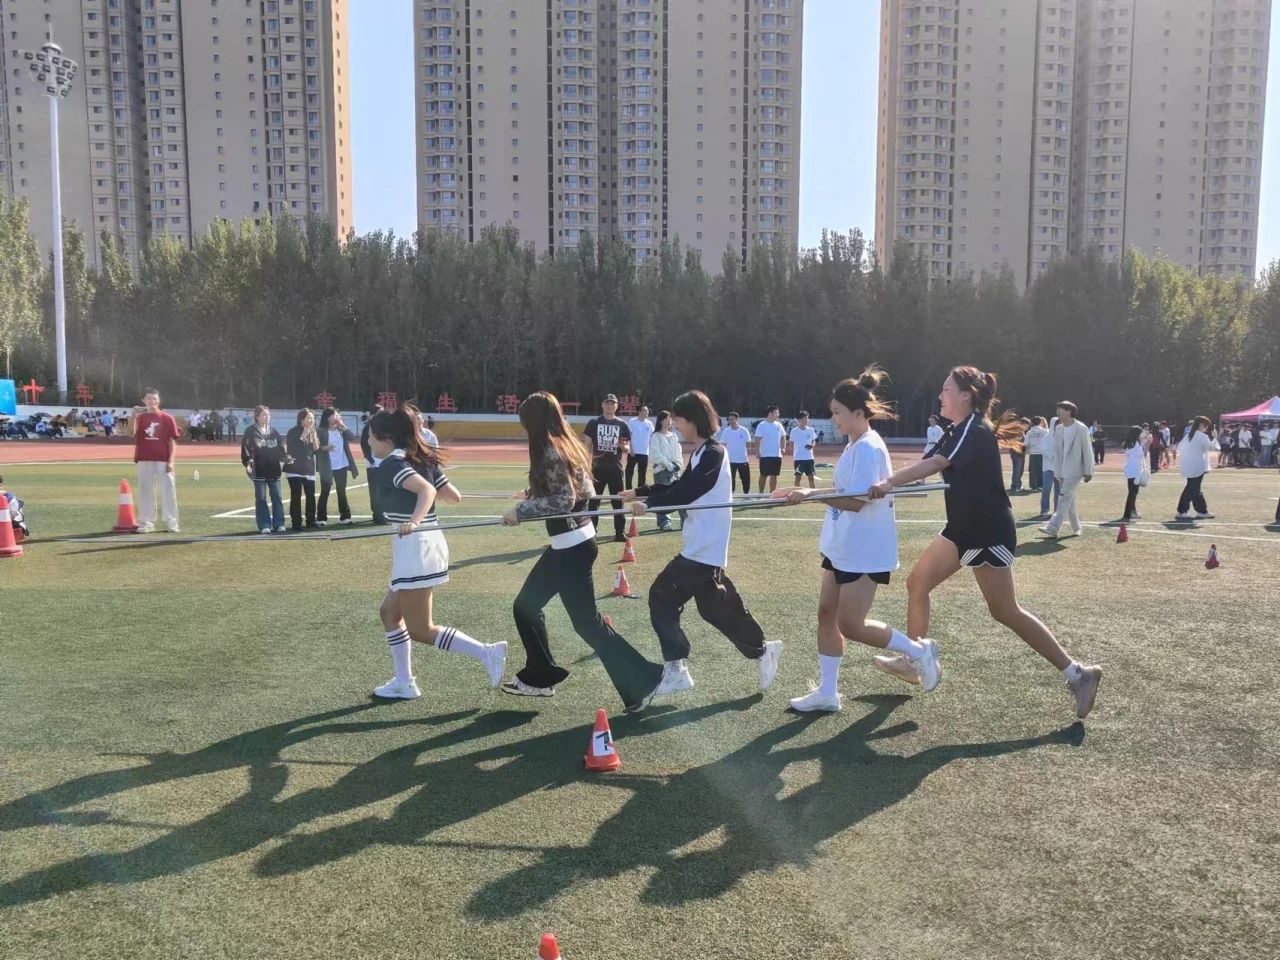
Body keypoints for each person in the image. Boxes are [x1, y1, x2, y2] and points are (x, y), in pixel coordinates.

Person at [867, 366, 1103, 719]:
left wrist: (888, 483)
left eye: (946, 389)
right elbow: (931, 463)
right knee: (917, 583)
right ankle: (914, 660)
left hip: (986, 530)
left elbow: (936, 463)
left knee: (1004, 610)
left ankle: (1078, 674)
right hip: (962, 527)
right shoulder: (957, 429)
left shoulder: (973, 428)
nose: (940, 395)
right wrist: (891, 481)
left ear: (965, 396)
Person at [498, 392, 662, 709]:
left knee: (586, 624)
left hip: (571, 548)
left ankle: (644, 680)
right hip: (571, 544)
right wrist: (533, 492)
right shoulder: (568, 444)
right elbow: (580, 489)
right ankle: (540, 676)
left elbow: (564, 500)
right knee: (527, 607)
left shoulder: (551, 449)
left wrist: (522, 510)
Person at [623, 390, 783, 700]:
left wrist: (652, 504)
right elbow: (681, 485)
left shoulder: (714, 452)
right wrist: (642, 491)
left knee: (661, 596)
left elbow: (691, 490)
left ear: (694, 419)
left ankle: (676, 669)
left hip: (703, 549)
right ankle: (763, 651)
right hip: (701, 545)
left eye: (679, 419)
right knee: (715, 609)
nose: (675, 424)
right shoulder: (699, 453)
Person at [773, 370, 908, 713]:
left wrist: (811, 495)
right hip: (842, 545)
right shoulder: (853, 444)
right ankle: (828, 693)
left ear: (858, 413)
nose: (833, 419)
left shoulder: (868, 448)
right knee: (826, 615)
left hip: (864, 549)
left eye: (837, 413)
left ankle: (918, 652)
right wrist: (799, 490)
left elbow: (857, 501)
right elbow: (844, 491)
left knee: (851, 624)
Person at [366, 407, 506, 700]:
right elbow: (453, 496)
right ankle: (404, 682)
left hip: (416, 545)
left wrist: (414, 521)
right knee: (389, 612)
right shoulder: (421, 458)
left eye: (371, 437)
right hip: (423, 542)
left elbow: (427, 492)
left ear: (386, 439)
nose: (368, 442)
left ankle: (487, 652)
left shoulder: (393, 464)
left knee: (420, 629)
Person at [1039, 401, 1093, 540]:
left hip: (1075, 471)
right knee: (1070, 500)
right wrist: (1057, 471)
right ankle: (1077, 528)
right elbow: (1058, 452)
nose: (1058, 412)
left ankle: (1052, 528)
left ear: (1069, 411)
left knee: (1063, 498)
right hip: (1061, 470)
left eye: (1061, 409)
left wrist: (1088, 470)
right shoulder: (1059, 429)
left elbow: (1087, 450)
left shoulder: (1081, 428)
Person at [131, 388, 181, 534]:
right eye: (149, 398)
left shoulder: (167, 418)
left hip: (163, 459)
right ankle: (146, 522)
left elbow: (172, 441)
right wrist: (133, 416)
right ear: (143, 400)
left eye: (154, 398)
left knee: (168, 491)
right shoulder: (140, 418)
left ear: (158, 400)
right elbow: (130, 433)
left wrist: (171, 461)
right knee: (145, 491)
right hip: (144, 458)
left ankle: (171, 521)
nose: (152, 401)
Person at [583, 394, 631, 543]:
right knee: (593, 501)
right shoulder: (593, 423)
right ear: (602, 405)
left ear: (616, 406)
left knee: (618, 501)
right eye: (607, 403)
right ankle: (591, 533)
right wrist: (586, 466)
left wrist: (621, 445)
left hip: (615, 469)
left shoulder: (622, 425)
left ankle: (619, 532)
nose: (610, 406)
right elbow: (586, 446)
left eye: (613, 403)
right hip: (596, 469)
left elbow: (627, 449)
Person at [240, 405, 289, 534]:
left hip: (274, 469)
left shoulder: (274, 432)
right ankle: (265, 525)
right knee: (261, 498)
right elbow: (246, 450)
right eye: (264, 415)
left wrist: (285, 457)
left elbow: (280, 449)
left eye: (268, 415)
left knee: (277, 497)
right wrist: (248, 464)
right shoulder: (250, 432)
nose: (267, 417)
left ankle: (279, 524)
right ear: (257, 417)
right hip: (259, 469)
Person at [318, 407, 359, 526]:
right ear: (328, 418)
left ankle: (345, 516)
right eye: (335, 415)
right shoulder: (321, 431)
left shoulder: (341, 430)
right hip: (327, 466)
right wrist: (324, 448)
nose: (338, 417)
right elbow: (314, 447)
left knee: (341, 491)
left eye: (338, 415)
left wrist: (342, 425)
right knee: (325, 491)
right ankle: (321, 518)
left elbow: (352, 437)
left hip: (341, 465)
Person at [1175, 416, 1218, 521]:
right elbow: (1212, 448)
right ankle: (1182, 511)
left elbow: (1180, 448)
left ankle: (1202, 511)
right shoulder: (1202, 436)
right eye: (1206, 426)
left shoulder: (1189, 435)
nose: (1207, 428)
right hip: (1197, 466)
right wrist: (1215, 438)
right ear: (1201, 425)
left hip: (1188, 465)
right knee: (1192, 488)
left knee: (1195, 489)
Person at [285, 408, 321, 531]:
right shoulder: (293, 432)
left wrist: (313, 435)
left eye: (313, 418)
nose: (312, 420)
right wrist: (304, 435)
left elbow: (316, 449)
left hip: (309, 468)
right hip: (294, 469)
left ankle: (311, 521)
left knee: (311, 496)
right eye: (309, 418)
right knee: (296, 496)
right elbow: (292, 448)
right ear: (301, 419)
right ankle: (296, 523)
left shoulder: (313, 431)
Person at [648, 409, 684, 531]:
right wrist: (668, 465)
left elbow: (678, 452)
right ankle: (664, 522)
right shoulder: (656, 436)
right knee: (662, 496)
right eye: (666, 419)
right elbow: (655, 454)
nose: (669, 422)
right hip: (661, 471)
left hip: (674, 471)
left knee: (680, 494)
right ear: (660, 421)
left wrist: (677, 464)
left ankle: (685, 520)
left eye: (670, 419)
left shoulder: (674, 436)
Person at [716, 411, 753, 495]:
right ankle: (731, 494)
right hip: (730, 460)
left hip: (743, 460)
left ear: (737, 419)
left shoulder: (744, 430)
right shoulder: (726, 431)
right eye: (729, 420)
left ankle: (746, 494)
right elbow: (723, 443)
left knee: (745, 479)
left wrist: (749, 448)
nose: (731, 421)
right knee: (730, 479)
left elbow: (748, 442)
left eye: (732, 419)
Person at [360, 404, 386, 523]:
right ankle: (378, 515)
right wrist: (371, 460)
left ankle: (384, 513)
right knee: (375, 490)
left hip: (384, 463)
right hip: (373, 464)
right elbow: (364, 445)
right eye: (380, 413)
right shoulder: (368, 427)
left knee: (384, 488)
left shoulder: (384, 426)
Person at [754, 405, 787, 494]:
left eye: (778, 413)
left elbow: (783, 437)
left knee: (774, 475)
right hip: (765, 455)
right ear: (770, 413)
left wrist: (783, 447)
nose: (778, 414)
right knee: (763, 475)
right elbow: (757, 439)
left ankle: (772, 494)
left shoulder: (779, 425)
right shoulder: (762, 425)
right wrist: (757, 452)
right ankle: (760, 493)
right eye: (776, 412)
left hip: (776, 455)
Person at [1120, 425, 1150, 523]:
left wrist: (1146, 441)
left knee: (1133, 493)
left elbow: (1140, 446)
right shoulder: (1135, 444)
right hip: (1135, 473)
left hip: (1131, 472)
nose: (1141, 435)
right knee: (1132, 494)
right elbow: (1142, 454)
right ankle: (1126, 515)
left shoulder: (1131, 443)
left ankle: (1133, 512)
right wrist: (1147, 444)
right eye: (1140, 434)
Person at [1036, 415, 1061, 520]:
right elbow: (1043, 450)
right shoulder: (1046, 437)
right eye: (1057, 424)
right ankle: (1044, 510)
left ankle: (1057, 510)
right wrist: (1052, 456)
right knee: (1046, 490)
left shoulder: (1062, 437)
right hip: (1048, 468)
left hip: (1059, 468)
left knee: (1058, 491)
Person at [625, 404, 654, 489]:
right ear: (639, 412)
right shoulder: (632, 421)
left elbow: (653, 437)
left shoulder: (650, 424)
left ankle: (639, 492)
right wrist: (631, 449)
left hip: (644, 453)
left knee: (642, 474)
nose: (647, 412)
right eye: (644, 410)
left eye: (647, 410)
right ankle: (628, 490)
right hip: (633, 452)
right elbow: (629, 436)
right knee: (629, 472)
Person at [789, 410, 818, 490]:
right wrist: (795, 452)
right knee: (798, 478)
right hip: (799, 459)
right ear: (799, 420)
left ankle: (813, 494)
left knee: (811, 477)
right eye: (804, 418)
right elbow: (791, 443)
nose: (806, 420)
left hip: (809, 458)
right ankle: (797, 492)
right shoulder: (794, 431)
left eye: (807, 418)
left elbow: (813, 440)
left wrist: (812, 445)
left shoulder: (811, 430)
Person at [1025, 415, 1049, 492]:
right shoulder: (1045, 431)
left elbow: (1026, 443)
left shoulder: (1029, 432)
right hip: (1043, 453)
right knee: (1042, 469)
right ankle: (1041, 485)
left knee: (1033, 471)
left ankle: (1033, 486)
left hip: (1033, 453)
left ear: (1032, 422)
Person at [1008, 417, 1029, 493]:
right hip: (1017, 453)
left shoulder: (1019, 431)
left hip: (1017, 453)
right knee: (1018, 470)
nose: (1027, 428)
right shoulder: (1018, 431)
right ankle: (1016, 485)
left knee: (1018, 469)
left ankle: (1016, 485)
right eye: (1027, 426)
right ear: (1022, 424)